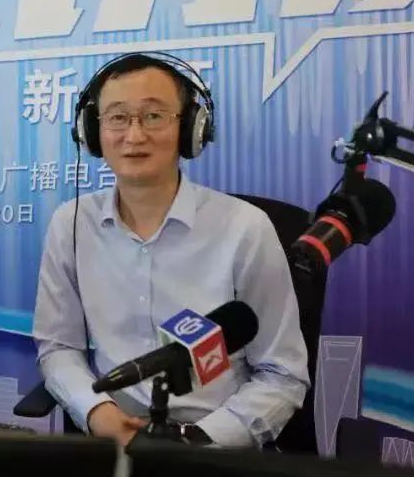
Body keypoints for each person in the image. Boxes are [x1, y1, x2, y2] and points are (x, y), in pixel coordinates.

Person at [32, 53, 309, 449]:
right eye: (117, 117)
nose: (134, 135)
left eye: (153, 116)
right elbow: (59, 347)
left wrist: (201, 442)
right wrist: (98, 413)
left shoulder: (245, 228)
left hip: (215, 447)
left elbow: (282, 373)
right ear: (92, 132)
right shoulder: (72, 224)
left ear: (191, 128)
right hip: (115, 444)